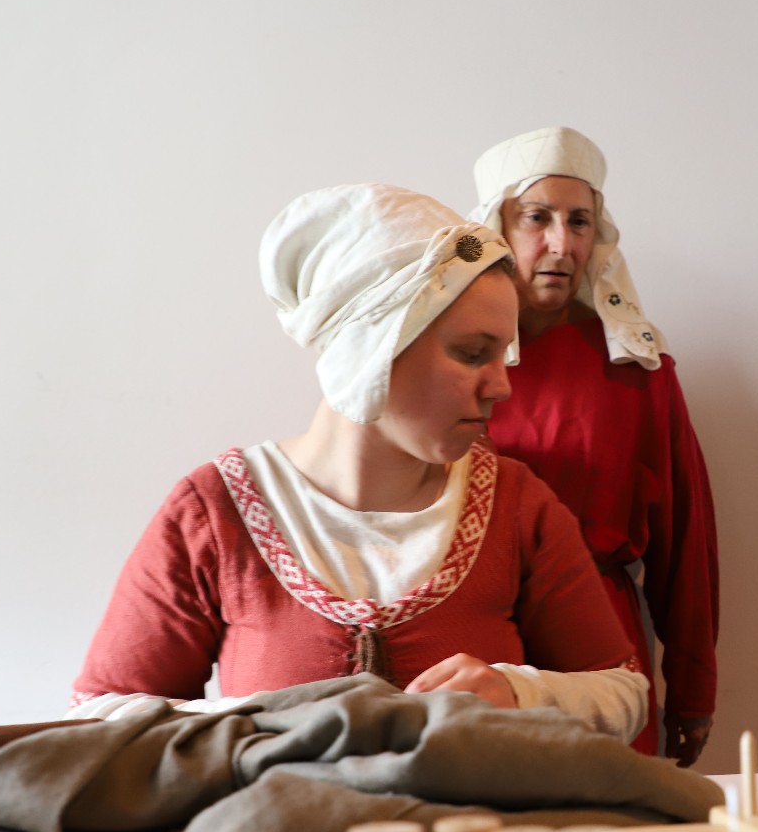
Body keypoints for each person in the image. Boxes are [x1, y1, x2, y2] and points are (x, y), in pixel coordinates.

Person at [70, 184, 647, 740]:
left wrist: (520, 694)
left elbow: (624, 692)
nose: (501, 386)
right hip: (281, 815)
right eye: (473, 353)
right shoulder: (215, 511)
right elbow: (99, 713)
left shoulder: (517, 506)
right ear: (370, 347)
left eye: (503, 356)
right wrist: (270, 725)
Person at [470, 127, 719, 766]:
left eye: (579, 221)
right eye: (537, 218)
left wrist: (693, 688)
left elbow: (685, 542)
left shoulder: (638, 369)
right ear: (496, 227)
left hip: (601, 651)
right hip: (474, 648)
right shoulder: (448, 364)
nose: (562, 243)